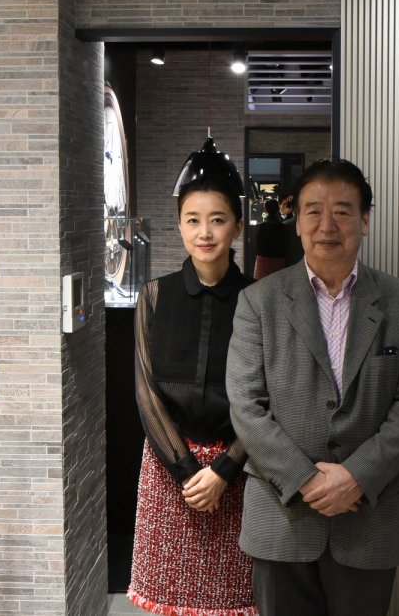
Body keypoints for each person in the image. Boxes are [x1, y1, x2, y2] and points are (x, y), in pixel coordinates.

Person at [226, 158, 399, 616]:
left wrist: (357, 476)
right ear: (297, 221)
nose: (327, 225)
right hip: (282, 517)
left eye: (342, 211)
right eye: (314, 211)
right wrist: (305, 478)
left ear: (365, 220)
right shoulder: (258, 302)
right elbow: (245, 405)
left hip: (369, 518)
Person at [128, 176, 257, 616]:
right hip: (169, 470)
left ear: (236, 225)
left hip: (238, 470)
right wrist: (187, 472)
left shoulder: (258, 299)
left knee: (234, 602)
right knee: (168, 602)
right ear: (179, 226)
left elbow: (267, 397)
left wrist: (223, 470)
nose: (205, 232)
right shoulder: (154, 295)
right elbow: (146, 392)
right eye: (193, 220)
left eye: (217, 220)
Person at [254, 198, 286, 278]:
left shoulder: (260, 227)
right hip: (279, 261)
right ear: (278, 209)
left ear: (265, 210)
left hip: (262, 261)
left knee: (261, 283)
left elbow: (257, 246)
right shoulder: (283, 227)